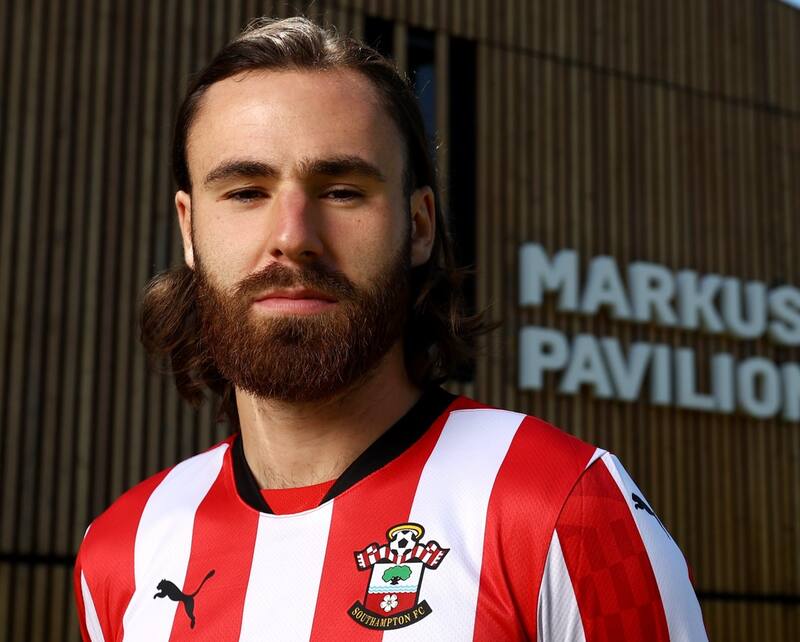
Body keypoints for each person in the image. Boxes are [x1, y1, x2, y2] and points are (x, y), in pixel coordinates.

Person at [74, 16, 707, 642]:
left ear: (420, 226)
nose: (293, 238)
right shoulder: (120, 551)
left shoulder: (567, 506)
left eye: (343, 190)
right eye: (245, 191)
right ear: (189, 228)